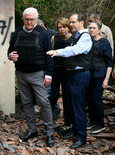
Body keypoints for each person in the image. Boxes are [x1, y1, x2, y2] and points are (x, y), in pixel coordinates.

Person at [7, 7, 55, 147]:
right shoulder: (16, 33)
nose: (29, 22)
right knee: (27, 103)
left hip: (37, 74)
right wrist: (10, 56)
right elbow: (10, 50)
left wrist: (49, 75)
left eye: (32, 19)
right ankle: (32, 130)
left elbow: (49, 55)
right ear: (23, 19)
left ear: (36, 19)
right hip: (21, 74)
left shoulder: (43, 33)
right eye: (27, 19)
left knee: (44, 103)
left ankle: (49, 133)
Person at [47, 13, 93, 149]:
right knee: (73, 106)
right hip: (73, 74)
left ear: (81, 22)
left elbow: (75, 50)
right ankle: (74, 130)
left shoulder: (85, 37)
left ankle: (81, 138)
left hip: (80, 75)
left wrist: (57, 52)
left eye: (73, 22)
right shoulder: (78, 36)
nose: (71, 25)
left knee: (78, 107)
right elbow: (70, 48)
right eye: (70, 22)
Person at [49, 17, 75, 134]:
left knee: (67, 97)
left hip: (68, 72)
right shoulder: (54, 38)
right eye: (59, 27)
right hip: (55, 71)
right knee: (53, 95)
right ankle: (48, 119)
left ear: (68, 27)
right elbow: (49, 55)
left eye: (64, 27)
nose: (62, 29)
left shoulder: (74, 40)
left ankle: (67, 122)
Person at [87, 21, 113, 134]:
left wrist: (106, 78)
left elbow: (109, 62)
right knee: (89, 99)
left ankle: (100, 124)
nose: (91, 30)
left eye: (94, 28)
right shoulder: (87, 41)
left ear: (98, 29)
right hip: (89, 74)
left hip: (100, 74)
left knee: (96, 98)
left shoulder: (104, 43)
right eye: (90, 28)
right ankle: (92, 121)